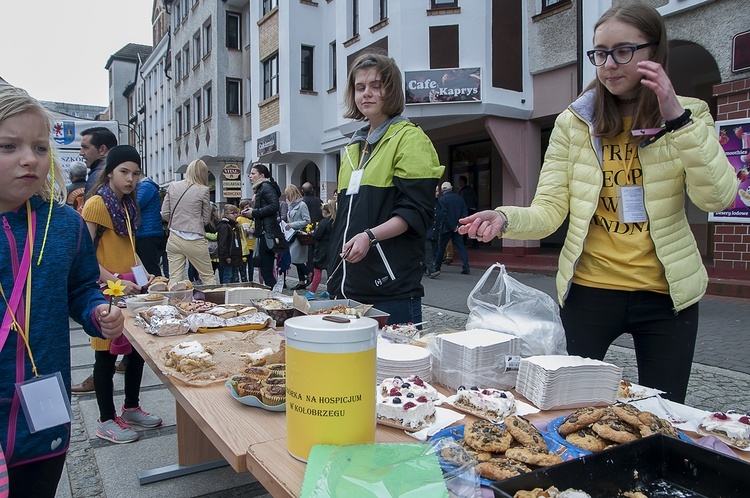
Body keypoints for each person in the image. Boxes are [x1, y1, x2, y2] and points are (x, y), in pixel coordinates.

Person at [459, 2, 737, 404]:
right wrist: (504, 217)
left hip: (666, 296)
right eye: (600, 53)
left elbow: (717, 196)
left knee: (663, 409)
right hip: (590, 292)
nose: (609, 64)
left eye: (623, 51)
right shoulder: (574, 123)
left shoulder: (691, 115)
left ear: (654, 52)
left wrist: (676, 118)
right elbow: (550, 209)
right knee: (566, 403)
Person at [0, 83, 124, 498]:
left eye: (38, 147)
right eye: (8, 146)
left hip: (43, 413)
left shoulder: (63, 224)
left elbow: (81, 288)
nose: (28, 159)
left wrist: (97, 313)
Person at [327, 52, 444, 324]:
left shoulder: (410, 138)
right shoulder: (354, 147)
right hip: (347, 288)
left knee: (396, 367)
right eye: (360, 87)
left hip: (390, 291)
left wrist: (369, 236)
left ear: (391, 90)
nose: (367, 93)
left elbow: (416, 212)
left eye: (376, 86)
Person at [82, 145, 162, 443]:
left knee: (134, 352)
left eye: (136, 173)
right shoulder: (96, 204)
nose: (130, 179)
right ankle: (105, 419)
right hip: (104, 290)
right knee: (104, 355)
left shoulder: (128, 205)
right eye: (124, 172)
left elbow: (130, 250)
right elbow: (85, 255)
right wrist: (114, 280)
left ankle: (130, 407)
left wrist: (145, 276)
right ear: (111, 172)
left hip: (127, 288)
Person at [161, 159, 216, 286]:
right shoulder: (203, 190)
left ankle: (173, 304)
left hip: (174, 237)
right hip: (195, 238)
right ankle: (214, 303)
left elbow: (164, 213)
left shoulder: (173, 186)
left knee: (174, 278)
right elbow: (206, 219)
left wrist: (176, 223)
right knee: (207, 277)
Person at [241, 163, 283, 289]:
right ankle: (274, 296)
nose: (250, 176)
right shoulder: (262, 187)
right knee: (266, 270)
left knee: (266, 271)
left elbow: (273, 206)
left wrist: (254, 212)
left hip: (267, 233)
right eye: (250, 173)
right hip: (265, 232)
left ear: (262, 175)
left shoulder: (265, 187)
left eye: (253, 173)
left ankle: (275, 296)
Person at [434, 181, 470, 275]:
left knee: (441, 248)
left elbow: (444, 215)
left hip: (446, 228)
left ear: (442, 190)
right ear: (452, 188)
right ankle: (466, 267)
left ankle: (437, 267)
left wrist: (451, 226)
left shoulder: (442, 200)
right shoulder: (459, 198)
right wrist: (458, 225)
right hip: (458, 228)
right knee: (461, 247)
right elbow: (464, 212)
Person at [305, 200, 336, 300]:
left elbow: (317, 235)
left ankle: (312, 292)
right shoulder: (335, 221)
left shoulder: (324, 222)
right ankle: (329, 290)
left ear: (325, 212)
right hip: (332, 249)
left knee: (317, 271)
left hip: (322, 250)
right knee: (330, 272)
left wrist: (313, 232)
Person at [135, 175, 165, 277]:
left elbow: (135, 205)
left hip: (147, 233)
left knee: (150, 267)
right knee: (142, 268)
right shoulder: (142, 187)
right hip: (143, 232)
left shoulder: (147, 187)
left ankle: (157, 289)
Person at [284, 184, 311, 290]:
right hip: (292, 235)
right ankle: (301, 282)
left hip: (299, 235)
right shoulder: (292, 206)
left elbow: (307, 220)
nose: (286, 197)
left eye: (287, 194)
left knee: (294, 258)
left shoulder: (302, 205)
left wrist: (292, 225)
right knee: (298, 259)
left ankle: (309, 273)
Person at [79, 126, 117, 195]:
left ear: (102, 149)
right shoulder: (118, 174)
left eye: (85, 147)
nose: (81, 153)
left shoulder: (98, 176)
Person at [301, 181, 323, 282]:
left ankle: (310, 272)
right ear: (312, 190)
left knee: (308, 253)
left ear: (302, 191)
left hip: (306, 229)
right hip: (318, 227)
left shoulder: (302, 201)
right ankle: (315, 271)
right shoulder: (319, 200)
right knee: (316, 251)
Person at [217, 203, 243, 283]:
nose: (236, 215)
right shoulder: (224, 226)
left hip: (235, 256)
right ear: (226, 214)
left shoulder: (235, 226)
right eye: (233, 213)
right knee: (228, 277)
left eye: (237, 213)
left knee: (234, 278)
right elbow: (222, 243)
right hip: (228, 257)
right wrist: (226, 256)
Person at [424, 185, 443, 279]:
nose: (438, 193)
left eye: (438, 191)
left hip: (434, 232)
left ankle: (423, 268)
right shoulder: (426, 203)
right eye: (436, 191)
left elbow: (441, 216)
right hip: (426, 232)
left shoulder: (438, 203)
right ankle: (431, 270)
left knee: (433, 251)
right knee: (428, 252)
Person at [458, 175, 479, 248]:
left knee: (465, 226)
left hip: (467, 210)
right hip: (474, 210)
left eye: (460, 181)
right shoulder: (471, 190)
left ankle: (462, 243)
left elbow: (461, 202)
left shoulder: (463, 192)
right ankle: (475, 243)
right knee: (473, 226)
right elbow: (476, 200)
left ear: (463, 182)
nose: (458, 183)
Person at [237, 199, 255, 282]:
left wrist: (254, 231)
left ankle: (251, 280)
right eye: (246, 208)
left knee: (251, 265)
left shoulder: (253, 219)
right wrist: (244, 231)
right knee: (243, 264)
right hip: (244, 246)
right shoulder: (239, 219)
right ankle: (244, 280)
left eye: (250, 207)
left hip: (252, 245)